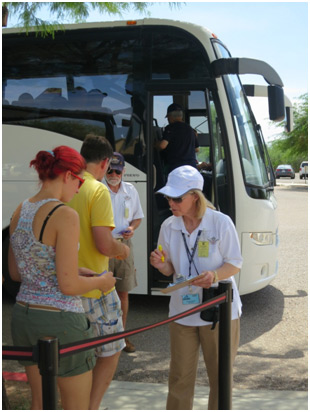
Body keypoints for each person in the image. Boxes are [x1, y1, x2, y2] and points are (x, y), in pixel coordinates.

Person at [8, 146, 117, 410]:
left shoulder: (20, 209)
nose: (79, 188)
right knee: (75, 404)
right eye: (79, 181)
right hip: (61, 319)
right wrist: (101, 282)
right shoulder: (65, 214)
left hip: (24, 315)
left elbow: (16, 272)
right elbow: (68, 286)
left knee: (40, 401)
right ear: (68, 176)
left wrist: (70, 270)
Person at [150, 165, 243, 410]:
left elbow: (234, 264)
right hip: (182, 311)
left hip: (219, 310)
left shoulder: (220, 222)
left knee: (220, 377)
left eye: (177, 198)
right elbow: (169, 269)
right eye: (168, 197)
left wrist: (214, 275)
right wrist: (160, 265)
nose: (171, 202)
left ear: (195, 196)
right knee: (179, 377)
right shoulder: (169, 226)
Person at [68, 134, 130, 410]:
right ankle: (90, 407)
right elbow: (104, 244)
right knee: (111, 349)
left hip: (65, 284)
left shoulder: (67, 186)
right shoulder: (98, 190)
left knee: (74, 356)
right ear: (105, 162)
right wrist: (122, 249)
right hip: (94, 286)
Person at [103, 152, 144, 353]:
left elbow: (138, 218)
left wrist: (133, 228)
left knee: (123, 291)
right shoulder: (99, 189)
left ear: (123, 171)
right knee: (101, 291)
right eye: (109, 170)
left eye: (117, 170)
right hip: (103, 246)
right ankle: (102, 338)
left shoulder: (130, 190)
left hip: (125, 245)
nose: (113, 174)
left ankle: (122, 336)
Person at [157, 103, 199, 174]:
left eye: (168, 117)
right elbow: (197, 149)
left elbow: (162, 145)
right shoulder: (190, 129)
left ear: (170, 116)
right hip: (192, 168)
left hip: (177, 168)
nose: (168, 119)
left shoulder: (170, 128)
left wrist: (155, 144)